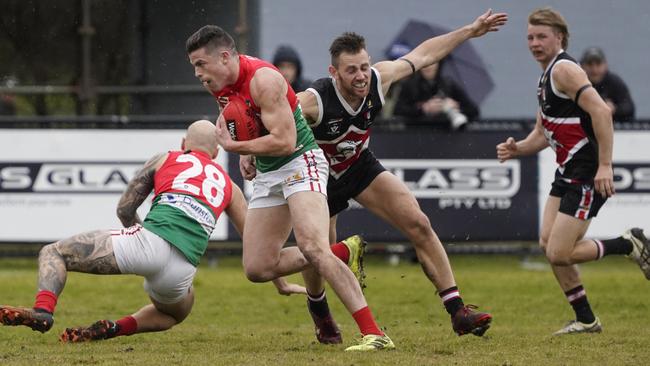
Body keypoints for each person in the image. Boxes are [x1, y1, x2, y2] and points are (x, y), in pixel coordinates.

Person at [297, 9, 508, 337]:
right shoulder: (315, 100)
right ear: (334, 72)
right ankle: (319, 308)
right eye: (351, 70)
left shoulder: (380, 79)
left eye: (364, 67)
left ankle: (458, 311)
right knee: (318, 253)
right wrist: (248, 150)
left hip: (359, 166)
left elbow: (424, 54)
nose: (361, 76)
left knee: (419, 223)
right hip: (319, 177)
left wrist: (469, 30)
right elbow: (274, 113)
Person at [0, 120, 305, 342]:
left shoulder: (167, 158)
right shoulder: (229, 186)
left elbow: (124, 209)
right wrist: (280, 284)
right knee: (173, 315)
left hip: (149, 242)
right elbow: (254, 245)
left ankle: (43, 311)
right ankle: (115, 329)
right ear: (216, 153)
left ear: (184, 143)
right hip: (182, 270)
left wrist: (139, 240)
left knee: (53, 252)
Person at [186, 25, 394, 351]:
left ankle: (375, 334)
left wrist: (237, 148)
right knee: (257, 268)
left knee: (312, 246)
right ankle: (342, 252)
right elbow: (236, 116)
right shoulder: (219, 81)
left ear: (224, 57)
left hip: (301, 161)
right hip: (269, 173)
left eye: (200, 64)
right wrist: (250, 150)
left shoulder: (264, 80)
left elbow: (286, 141)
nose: (197, 73)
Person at [496, 7, 650, 335]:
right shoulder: (546, 76)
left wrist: (605, 165)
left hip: (586, 172)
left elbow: (602, 113)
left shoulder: (564, 69)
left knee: (559, 251)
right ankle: (586, 319)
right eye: (530, 37)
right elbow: (542, 133)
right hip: (567, 172)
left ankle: (628, 244)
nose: (534, 43)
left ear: (560, 38)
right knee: (547, 244)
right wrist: (518, 148)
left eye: (542, 37)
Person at [394, 59, 479, 130]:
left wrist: (456, 107)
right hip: (417, 136)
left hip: (446, 136)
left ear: (439, 64)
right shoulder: (409, 85)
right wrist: (423, 109)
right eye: (425, 63)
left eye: (432, 62)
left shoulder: (449, 84)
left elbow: (473, 110)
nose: (428, 67)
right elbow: (398, 111)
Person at [579, 47, 635, 122]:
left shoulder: (614, 82)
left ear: (605, 65)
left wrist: (614, 109)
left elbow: (629, 108)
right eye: (590, 64)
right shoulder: (577, 83)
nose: (594, 69)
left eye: (598, 64)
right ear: (582, 66)